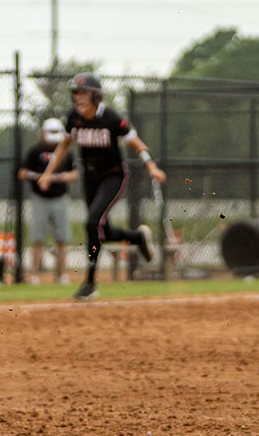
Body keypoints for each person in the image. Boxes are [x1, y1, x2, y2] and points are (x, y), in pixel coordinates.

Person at [36, 73, 164, 301]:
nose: (78, 97)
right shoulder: (74, 118)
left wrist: (151, 166)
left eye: (83, 93)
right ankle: (137, 238)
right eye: (76, 93)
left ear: (95, 95)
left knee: (93, 222)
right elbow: (63, 147)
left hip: (113, 176)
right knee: (99, 228)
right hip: (91, 178)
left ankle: (89, 283)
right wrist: (47, 174)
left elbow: (136, 143)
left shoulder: (111, 118)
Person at [17, 118, 78, 283]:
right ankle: (35, 275)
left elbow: (75, 174)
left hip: (60, 199)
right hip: (40, 199)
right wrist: (37, 177)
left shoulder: (66, 152)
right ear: (42, 132)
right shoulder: (35, 151)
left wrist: (59, 178)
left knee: (62, 239)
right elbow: (22, 172)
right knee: (37, 238)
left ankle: (62, 275)